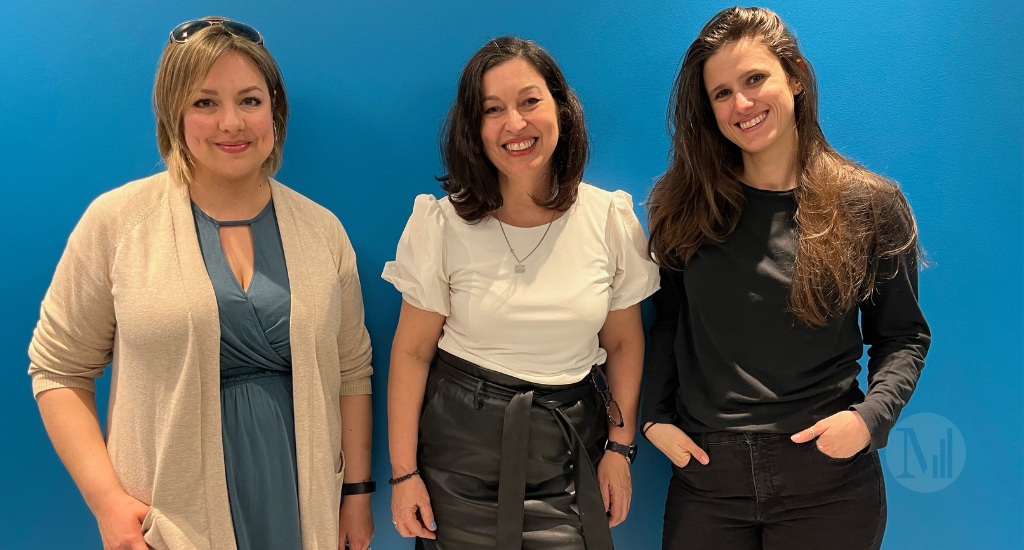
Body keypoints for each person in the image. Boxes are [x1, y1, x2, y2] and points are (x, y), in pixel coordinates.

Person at [28, 17, 375, 550]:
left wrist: (354, 495)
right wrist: (107, 504)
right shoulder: (118, 222)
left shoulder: (323, 231)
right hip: (169, 521)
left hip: (305, 506)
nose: (231, 122)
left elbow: (352, 371)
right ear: (174, 114)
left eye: (250, 100)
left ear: (275, 112)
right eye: (205, 102)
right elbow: (57, 369)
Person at [641, 7, 930, 550]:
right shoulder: (684, 207)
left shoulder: (870, 203)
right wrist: (654, 418)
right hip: (707, 477)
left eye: (755, 79)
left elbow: (904, 335)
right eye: (721, 93)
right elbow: (671, 321)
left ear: (794, 76)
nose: (741, 104)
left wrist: (869, 419)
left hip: (828, 481)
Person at [382, 36, 659, 550]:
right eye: (493, 110)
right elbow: (412, 350)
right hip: (458, 462)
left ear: (560, 106)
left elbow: (623, 343)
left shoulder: (609, 219)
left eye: (530, 101)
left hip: (571, 453)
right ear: (473, 128)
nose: (515, 124)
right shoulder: (441, 224)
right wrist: (403, 475)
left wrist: (620, 452)